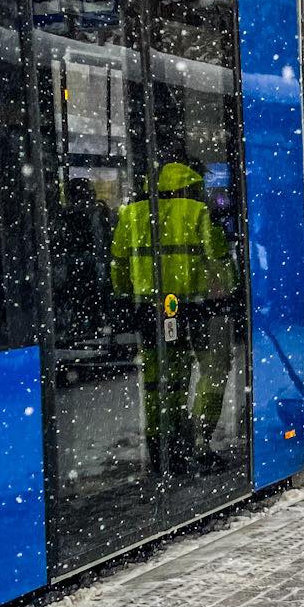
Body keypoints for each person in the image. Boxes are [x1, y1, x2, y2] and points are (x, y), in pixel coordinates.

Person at [110, 158, 235, 469]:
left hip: (150, 310)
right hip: (194, 306)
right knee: (212, 371)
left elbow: (118, 266)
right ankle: (197, 440)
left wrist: (130, 296)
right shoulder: (197, 212)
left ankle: (161, 446)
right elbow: (219, 260)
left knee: (160, 380)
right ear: (187, 186)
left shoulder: (131, 215)